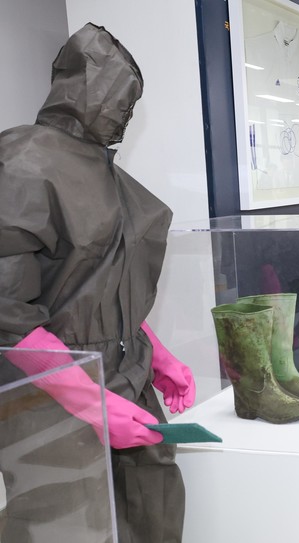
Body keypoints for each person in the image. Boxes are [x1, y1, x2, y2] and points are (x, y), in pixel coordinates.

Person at [0, 24, 194, 542]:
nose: (125, 110)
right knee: (65, 522)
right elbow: (9, 316)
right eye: (118, 94)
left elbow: (101, 288)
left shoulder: (109, 175)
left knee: (153, 509)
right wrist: (92, 402)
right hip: (46, 397)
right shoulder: (22, 163)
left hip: (127, 378)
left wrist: (159, 357)